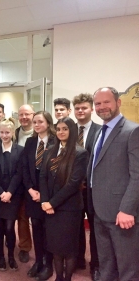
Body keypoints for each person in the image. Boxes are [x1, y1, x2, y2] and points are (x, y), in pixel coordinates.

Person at [87, 87, 139, 281]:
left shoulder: (132, 131)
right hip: (100, 211)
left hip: (121, 214)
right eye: (98, 104)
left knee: (128, 268)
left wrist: (127, 209)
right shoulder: (101, 131)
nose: (102, 107)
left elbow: (137, 175)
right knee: (106, 263)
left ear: (118, 103)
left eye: (106, 102)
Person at [40, 117, 88, 281]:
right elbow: (43, 177)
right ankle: (58, 277)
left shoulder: (80, 152)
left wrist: (52, 203)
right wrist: (45, 201)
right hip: (50, 207)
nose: (61, 132)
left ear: (72, 130)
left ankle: (67, 278)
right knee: (55, 247)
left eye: (65, 129)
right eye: (58, 129)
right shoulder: (51, 150)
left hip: (69, 208)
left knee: (69, 248)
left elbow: (73, 183)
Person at [0, 118, 24, 271]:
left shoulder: (20, 150)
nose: (4, 135)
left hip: (12, 195)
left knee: (9, 228)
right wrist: (0, 192)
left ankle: (10, 256)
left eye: (7, 132)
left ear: (13, 132)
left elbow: (19, 174)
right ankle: (1, 257)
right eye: (1, 132)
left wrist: (9, 192)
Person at [23, 111, 55, 279]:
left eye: (40, 121)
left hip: (48, 194)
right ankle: (39, 261)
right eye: (34, 122)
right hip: (33, 193)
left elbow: (57, 172)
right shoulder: (30, 142)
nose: (36, 124)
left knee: (47, 228)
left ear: (48, 123)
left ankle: (48, 264)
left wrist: (44, 194)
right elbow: (24, 168)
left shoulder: (56, 142)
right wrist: (30, 189)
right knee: (35, 226)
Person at [72, 93, 101, 280]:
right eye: (77, 108)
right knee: (75, 226)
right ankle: (78, 258)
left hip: (93, 190)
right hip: (73, 190)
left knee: (95, 228)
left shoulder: (100, 130)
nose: (80, 111)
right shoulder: (67, 130)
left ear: (91, 109)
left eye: (84, 108)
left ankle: (96, 264)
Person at [15, 104, 35, 264]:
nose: (24, 117)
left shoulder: (38, 133)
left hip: (33, 183)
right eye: (21, 115)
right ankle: (24, 247)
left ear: (33, 115)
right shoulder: (14, 133)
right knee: (21, 217)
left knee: (35, 217)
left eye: (27, 114)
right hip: (17, 181)